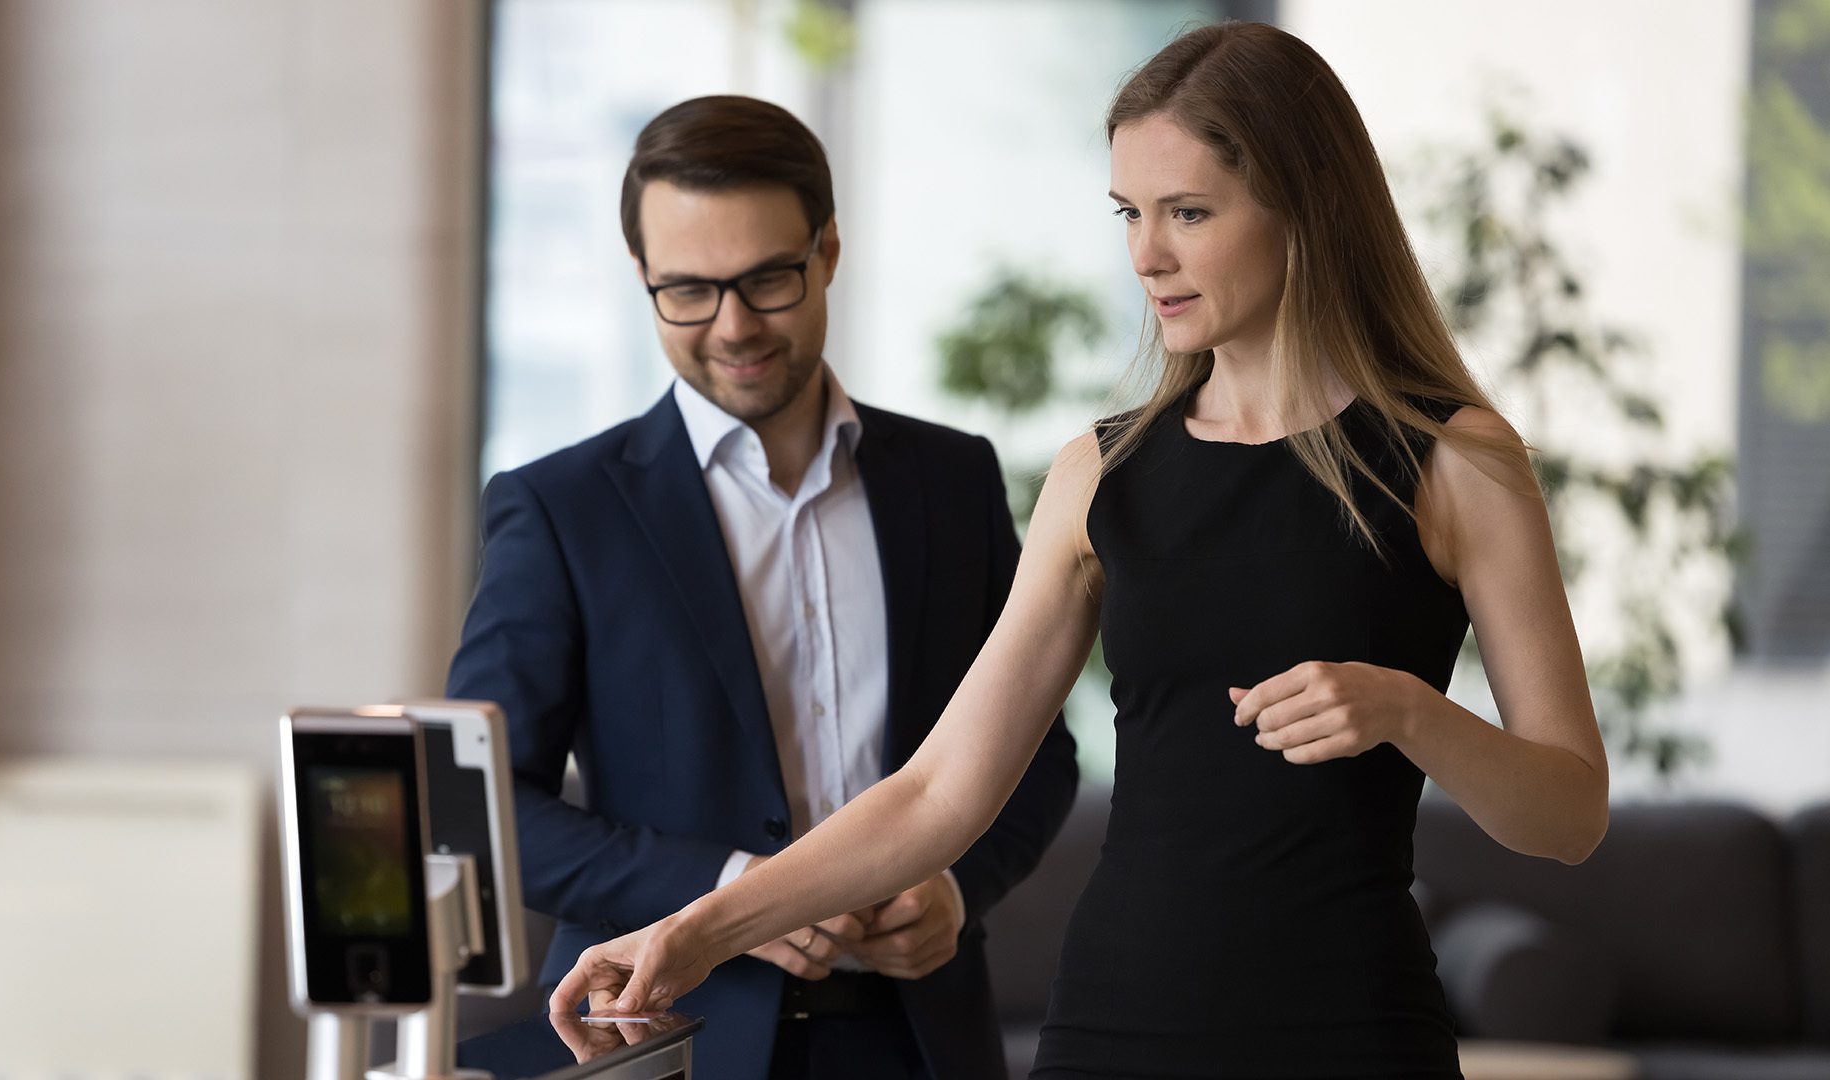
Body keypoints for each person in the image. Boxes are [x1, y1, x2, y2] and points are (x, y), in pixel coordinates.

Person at [549, 23, 1611, 1080]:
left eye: (1189, 212)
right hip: (1112, 1029)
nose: (1148, 255)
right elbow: (938, 794)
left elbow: (1568, 815)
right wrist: (698, 931)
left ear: (1308, 206)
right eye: (1130, 214)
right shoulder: (1099, 475)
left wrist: (1409, 712)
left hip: (1353, 1031)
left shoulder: (1455, 461)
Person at [446, 94, 1079, 1080]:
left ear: (827, 251)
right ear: (642, 278)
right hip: (665, 1034)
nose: (732, 326)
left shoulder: (950, 481)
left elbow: (1036, 756)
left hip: (917, 1036)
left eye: (767, 280)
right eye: (687, 291)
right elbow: (478, 811)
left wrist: (957, 882)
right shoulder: (560, 508)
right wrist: (737, 898)